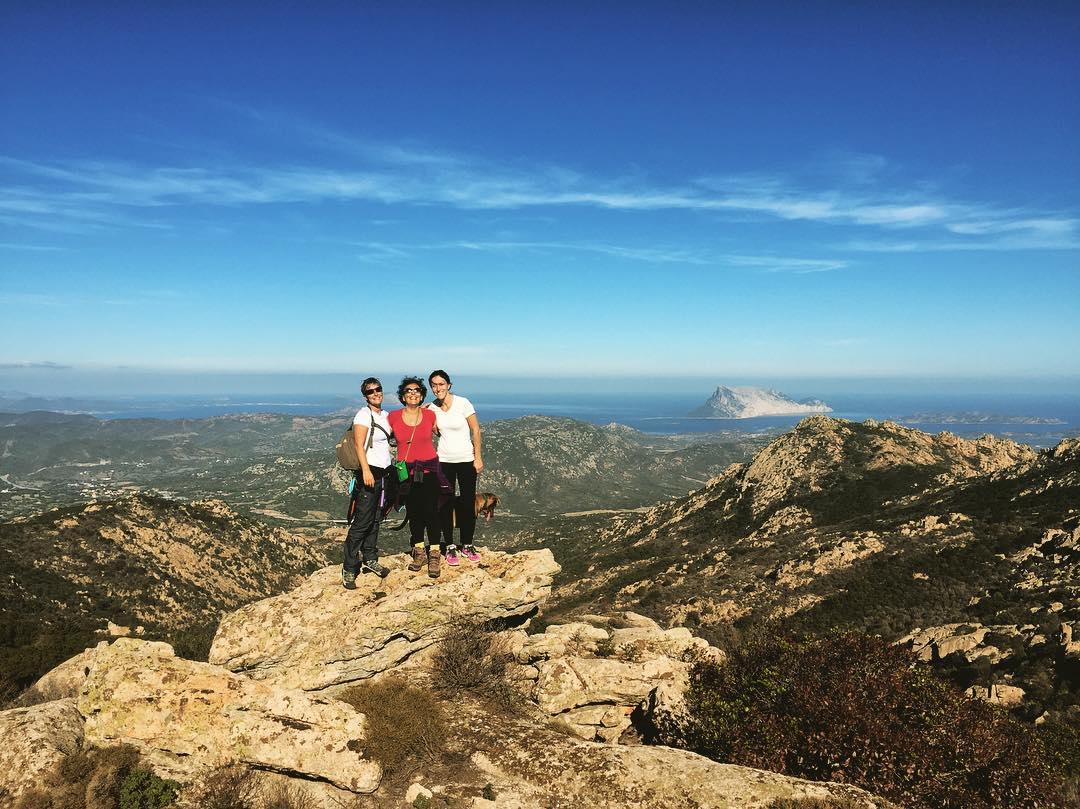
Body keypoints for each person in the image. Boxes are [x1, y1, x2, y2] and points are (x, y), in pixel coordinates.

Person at [387, 376, 449, 578]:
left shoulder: (430, 415)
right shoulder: (393, 417)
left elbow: (449, 425)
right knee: (414, 514)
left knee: (431, 512)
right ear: (402, 396)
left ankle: (434, 554)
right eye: (408, 390)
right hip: (407, 473)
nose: (412, 393)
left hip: (429, 470)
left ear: (422, 395)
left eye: (416, 390)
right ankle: (419, 551)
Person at [426, 370, 484, 565]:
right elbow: (432, 430)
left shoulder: (463, 403)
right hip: (443, 461)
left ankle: (467, 544)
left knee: (468, 503)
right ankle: (450, 546)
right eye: (434, 385)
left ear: (449, 385)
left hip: (467, 460)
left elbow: (475, 430)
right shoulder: (431, 409)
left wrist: (478, 457)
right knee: (445, 504)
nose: (437, 388)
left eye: (441, 384)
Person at [342, 377, 393, 588]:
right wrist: (365, 471)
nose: (375, 393)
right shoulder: (364, 415)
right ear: (366, 396)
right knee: (362, 521)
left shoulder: (387, 416)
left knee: (375, 518)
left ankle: (370, 558)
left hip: (385, 474)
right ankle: (350, 567)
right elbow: (358, 445)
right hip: (369, 473)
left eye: (378, 389)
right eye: (370, 391)